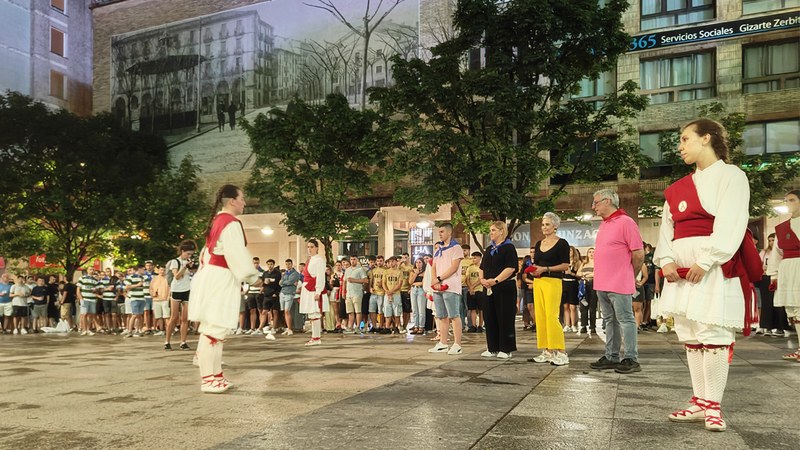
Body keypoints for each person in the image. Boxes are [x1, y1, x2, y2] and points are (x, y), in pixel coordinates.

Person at [654, 119, 751, 432]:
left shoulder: (731, 176)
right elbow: (666, 229)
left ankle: (713, 406)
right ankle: (699, 401)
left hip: (713, 271)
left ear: (706, 138)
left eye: (685, 139)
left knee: (715, 335)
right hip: (682, 275)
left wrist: (708, 259)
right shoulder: (677, 189)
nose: (680, 146)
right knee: (691, 337)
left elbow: (731, 222)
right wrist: (666, 260)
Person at [188, 184, 261, 393]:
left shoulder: (218, 221)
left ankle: (214, 375)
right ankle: (208, 379)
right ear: (232, 201)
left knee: (212, 329)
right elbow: (236, 254)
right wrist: (253, 277)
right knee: (214, 329)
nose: (245, 202)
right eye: (242, 198)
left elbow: (207, 255)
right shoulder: (229, 223)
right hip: (220, 279)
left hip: (212, 277)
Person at [589, 188, 644, 375]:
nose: (593, 206)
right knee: (609, 320)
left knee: (626, 319)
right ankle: (611, 355)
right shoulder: (605, 224)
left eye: (595, 202)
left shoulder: (626, 222)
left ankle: (630, 357)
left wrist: (631, 274)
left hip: (619, 281)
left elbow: (638, 253)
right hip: (602, 282)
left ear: (607, 201)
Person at [528, 213, 571, 366]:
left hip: (553, 281)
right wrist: (534, 271)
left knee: (552, 316)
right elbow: (537, 263)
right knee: (540, 316)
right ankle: (547, 350)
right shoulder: (539, 244)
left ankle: (561, 351)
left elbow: (566, 265)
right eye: (543, 224)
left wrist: (545, 268)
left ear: (555, 226)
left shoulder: (562, 243)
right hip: (538, 282)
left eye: (547, 224)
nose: (544, 227)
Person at [768, 190, 800, 362]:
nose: (788, 203)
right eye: (786, 200)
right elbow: (776, 253)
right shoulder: (781, 228)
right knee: (793, 309)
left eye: (792, 200)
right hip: (788, 269)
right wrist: (773, 275)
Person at [479, 221, 518, 359]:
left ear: (502, 231)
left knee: (505, 317)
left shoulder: (509, 248)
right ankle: (492, 347)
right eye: (490, 230)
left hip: (504, 287)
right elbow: (482, 268)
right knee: (489, 317)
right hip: (488, 287)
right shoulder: (489, 249)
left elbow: (511, 268)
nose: (491, 233)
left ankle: (506, 348)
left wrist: (495, 280)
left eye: (494, 230)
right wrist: (482, 280)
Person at [429, 223, 464, 355]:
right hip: (438, 287)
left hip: (451, 286)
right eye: (439, 232)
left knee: (454, 315)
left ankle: (457, 344)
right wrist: (434, 280)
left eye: (442, 231)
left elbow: (454, 267)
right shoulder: (438, 250)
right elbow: (434, 266)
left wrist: (439, 278)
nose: (440, 234)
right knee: (441, 315)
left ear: (449, 232)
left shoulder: (456, 248)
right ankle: (443, 343)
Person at [164, 240, 197, 351]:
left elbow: (190, 274)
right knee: (174, 317)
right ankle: (167, 341)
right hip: (176, 290)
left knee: (185, 319)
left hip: (187, 290)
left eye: (191, 254)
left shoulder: (188, 261)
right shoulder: (175, 262)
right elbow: (177, 276)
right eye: (188, 253)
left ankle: (183, 342)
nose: (189, 256)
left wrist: (191, 267)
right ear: (182, 251)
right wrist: (185, 267)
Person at [299, 239, 327, 346]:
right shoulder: (310, 260)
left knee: (315, 313)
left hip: (313, 288)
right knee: (311, 314)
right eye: (308, 247)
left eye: (312, 247)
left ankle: (316, 338)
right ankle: (314, 337)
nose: (309, 249)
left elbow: (320, 277)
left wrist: (318, 291)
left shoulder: (319, 260)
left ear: (316, 248)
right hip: (307, 288)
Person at [344, 255, 368, 334]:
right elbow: (345, 281)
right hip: (349, 293)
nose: (352, 261)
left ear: (357, 260)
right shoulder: (347, 270)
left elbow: (365, 280)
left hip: (357, 293)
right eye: (351, 259)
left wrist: (354, 280)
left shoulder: (360, 269)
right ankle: (350, 326)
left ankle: (358, 326)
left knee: (358, 311)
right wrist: (344, 291)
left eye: (354, 259)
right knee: (350, 311)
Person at [561, 247, 581, 333]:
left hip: (573, 284)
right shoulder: (563, 262)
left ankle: (573, 324)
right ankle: (567, 324)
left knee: (572, 306)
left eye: (570, 251)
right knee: (565, 306)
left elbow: (579, 275)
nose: (569, 252)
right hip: (564, 284)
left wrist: (571, 273)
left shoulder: (578, 262)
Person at [578, 248, 597, 337]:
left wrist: (586, 275)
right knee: (583, 306)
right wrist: (584, 275)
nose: (591, 254)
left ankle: (592, 326)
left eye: (593, 252)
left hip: (593, 284)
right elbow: (578, 273)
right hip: (583, 285)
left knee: (592, 307)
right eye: (589, 252)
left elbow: (598, 273)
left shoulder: (597, 263)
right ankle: (583, 325)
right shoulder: (584, 264)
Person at [279, 259, 301, 335]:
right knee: (284, 311)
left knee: (287, 310)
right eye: (286, 264)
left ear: (292, 264)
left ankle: (290, 328)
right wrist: (285, 282)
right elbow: (280, 283)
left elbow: (289, 282)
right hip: (283, 292)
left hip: (290, 293)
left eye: (289, 264)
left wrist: (285, 282)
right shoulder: (285, 273)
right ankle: (288, 327)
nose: (288, 265)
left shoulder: (295, 273)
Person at [150, 266, 170, 335]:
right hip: (156, 300)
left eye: (164, 270)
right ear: (158, 271)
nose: (162, 271)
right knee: (158, 316)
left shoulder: (168, 279)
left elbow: (170, 289)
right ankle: (161, 330)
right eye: (161, 270)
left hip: (165, 300)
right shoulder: (154, 279)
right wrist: (153, 294)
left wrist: (168, 298)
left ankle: (168, 330)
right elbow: (150, 288)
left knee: (166, 316)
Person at [409, 257, 427, 334]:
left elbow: (423, 283)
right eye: (416, 262)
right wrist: (416, 274)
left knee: (421, 310)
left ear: (423, 263)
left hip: (421, 290)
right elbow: (410, 282)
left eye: (420, 262)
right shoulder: (412, 272)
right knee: (415, 309)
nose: (418, 264)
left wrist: (415, 283)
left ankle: (421, 326)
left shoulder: (425, 272)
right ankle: (416, 326)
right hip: (413, 290)